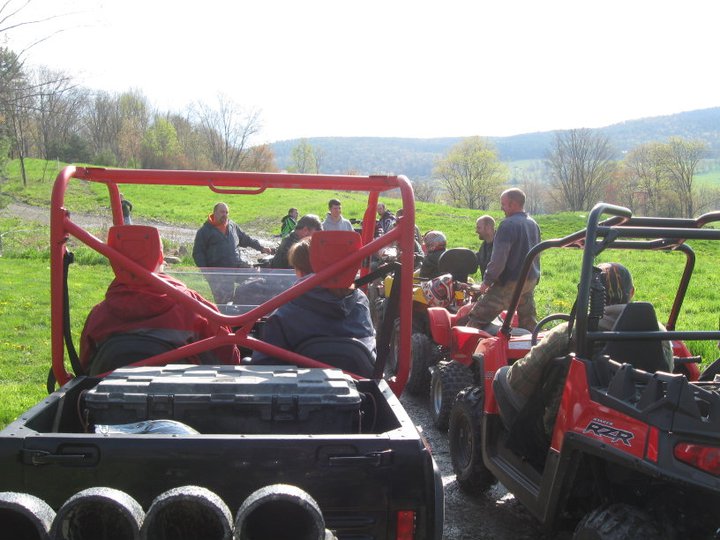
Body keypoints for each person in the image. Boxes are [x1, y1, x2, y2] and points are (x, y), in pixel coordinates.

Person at [503, 262, 673, 436]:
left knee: (502, 376)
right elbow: (666, 377)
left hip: (568, 424)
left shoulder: (571, 332)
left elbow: (518, 380)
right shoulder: (659, 334)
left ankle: (524, 446)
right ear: (632, 292)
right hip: (644, 423)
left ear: (591, 293)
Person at [80, 225, 240, 374]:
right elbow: (229, 362)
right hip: (183, 394)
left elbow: (86, 369)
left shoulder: (98, 317)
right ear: (161, 256)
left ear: (114, 260)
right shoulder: (196, 310)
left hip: (110, 395)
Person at [252, 236, 375, 365]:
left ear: (300, 272)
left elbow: (263, 363)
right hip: (359, 376)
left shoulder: (285, 311)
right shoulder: (360, 301)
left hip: (304, 377)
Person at [467, 188, 541, 332]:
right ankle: (532, 344)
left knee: (477, 316)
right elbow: (537, 254)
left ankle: (467, 345)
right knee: (528, 321)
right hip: (530, 279)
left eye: (503, 204)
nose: (501, 208)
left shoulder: (507, 225)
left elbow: (499, 259)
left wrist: (487, 281)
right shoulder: (533, 224)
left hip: (510, 282)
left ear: (513, 204)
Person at [192, 202, 273, 303]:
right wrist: (207, 272)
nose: (225, 215)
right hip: (219, 273)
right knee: (224, 303)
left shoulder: (232, 226)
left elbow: (245, 239)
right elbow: (197, 254)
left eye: (227, 212)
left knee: (257, 277)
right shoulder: (204, 231)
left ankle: (245, 306)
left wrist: (261, 248)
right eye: (222, 212)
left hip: (237, 266)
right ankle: (227, 311)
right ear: (214, 213)